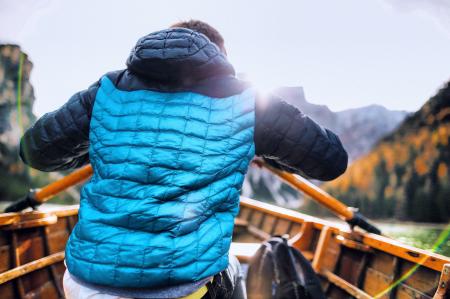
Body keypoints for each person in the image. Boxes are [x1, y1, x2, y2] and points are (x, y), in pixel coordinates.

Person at [20, 20, 348, 299]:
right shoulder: (247, 100)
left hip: (86, 284)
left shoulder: (107, 89)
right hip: (180, 288)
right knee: (230, 267)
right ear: (219, 55)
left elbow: (35, 151)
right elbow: (330, 160)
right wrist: (258, 143)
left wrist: (102, 144)